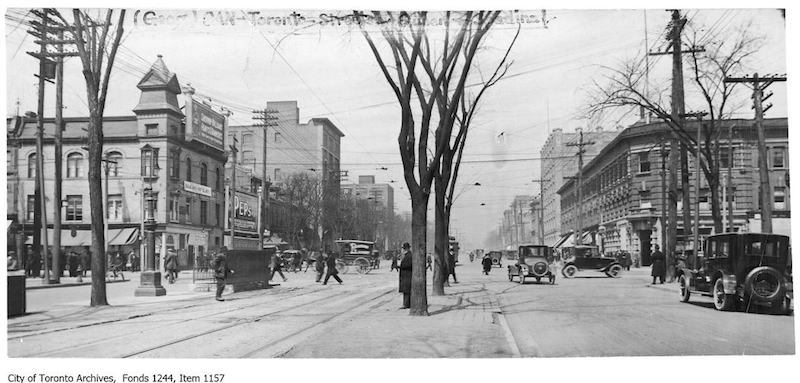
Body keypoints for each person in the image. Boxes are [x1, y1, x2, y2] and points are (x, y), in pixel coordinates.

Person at [398, 242, 413, 309]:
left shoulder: (408, 256)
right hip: (406, 275)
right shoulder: (408, 255)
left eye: (403, 249)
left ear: (405, 249)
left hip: (407, 276)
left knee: (406, 291)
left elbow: (408, 265)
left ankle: (406, 304)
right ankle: (407, 304)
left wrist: (400, 266)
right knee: (406, 291)